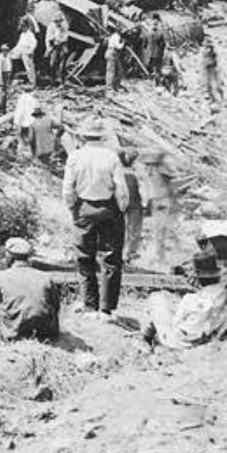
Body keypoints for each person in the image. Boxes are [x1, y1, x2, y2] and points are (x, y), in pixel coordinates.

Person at [62, 123, 130, 316]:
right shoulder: (111, 157)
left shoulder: (75, 157)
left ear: (83, 137)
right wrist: (120, 209)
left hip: (84, 207)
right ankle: (106, 308)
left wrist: (73, 209)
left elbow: (68, 189)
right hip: (108, 208)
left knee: (84, 256)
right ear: (102, 137)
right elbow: (121, 189)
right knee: (111, 258)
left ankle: (89, 303)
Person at [0, 238, 60, 342]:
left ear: (8, 256)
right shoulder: (46, 277)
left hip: (15, 334)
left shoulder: (0, 278)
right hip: (47, 334)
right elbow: (56, 306)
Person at [138, 149, 180, 268]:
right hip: (162, 201)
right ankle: (164, 255)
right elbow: (174, 176)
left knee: (161, 231)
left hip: (159, 202)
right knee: (163, 230)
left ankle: (162, 256)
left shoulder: (151, 173)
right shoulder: (160, 172)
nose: (147, 167)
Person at [120, 149, 145, 262]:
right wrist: (145, 203)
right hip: (134, 202)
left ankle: (122, 251)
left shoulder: (117, 171)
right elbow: (143, 187)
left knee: (121, 226)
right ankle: (129, 252)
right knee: (133, 227)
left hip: (121, 201)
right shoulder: (138, 171)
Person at [44, 13, 71, 85]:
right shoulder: (50, 27)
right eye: (56, 21)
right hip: (53, 45)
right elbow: (47, 38)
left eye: (59, 21)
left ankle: (62, 81)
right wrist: (48, 48)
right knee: (52, 63)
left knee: (62, 64)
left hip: (62, 44)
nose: (58, 23)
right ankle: (53, 81)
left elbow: (66, 36)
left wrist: (61, 40)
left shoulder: (65, 25)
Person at [10, 22, 39, 88]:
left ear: (27, 27)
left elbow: (34, 43)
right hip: (22, 50)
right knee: (11, 57)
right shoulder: (22, 34)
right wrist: (13, 50)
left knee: (29, 67)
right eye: (22, 27)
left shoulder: (30, 34)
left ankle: (32, 82)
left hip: (27, 51)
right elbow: (19, 44)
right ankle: (14, 78)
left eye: (24, 27)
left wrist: (31, 50)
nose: (23, 28)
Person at [201, 39, 224, 105]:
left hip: (213, 69)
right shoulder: (205, 52)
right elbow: (204, 61)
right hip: (207, 69)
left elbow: (217, 61)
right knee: (208, 85)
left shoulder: (213, 52)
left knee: (216, 85)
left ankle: (221, 98)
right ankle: (213, 99)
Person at [0, 45, 14, 116]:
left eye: (7, 50)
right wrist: (0, 79)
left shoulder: (8, 57)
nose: (6, 52)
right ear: (2, 50)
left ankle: (3, 109)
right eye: (5, 50)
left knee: (5, 94)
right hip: (1, 75)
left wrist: (9, 76)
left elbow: (9, 67)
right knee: (0, 93)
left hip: (6, 75)